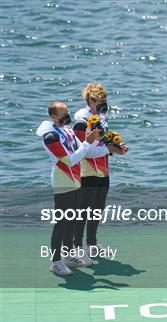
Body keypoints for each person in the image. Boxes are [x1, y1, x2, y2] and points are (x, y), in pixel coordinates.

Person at [36, 101, 100, 275]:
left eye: (68, 113)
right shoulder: (50, 137)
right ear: (53, 117)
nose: (67, 117)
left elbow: (81, 150)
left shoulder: (66, 129)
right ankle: (56, 262)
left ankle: (69, 255)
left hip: (75, 180)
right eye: (63, 115)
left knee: (72, 219)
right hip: (63, 181)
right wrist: (87, 143)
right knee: (62, 222)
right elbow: (70, 160)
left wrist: (93, 140)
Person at [72, 83, 127, 264]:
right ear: (90, 101)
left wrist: (115, 149)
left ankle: (91, 245)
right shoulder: (82, 122)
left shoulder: (101, 119)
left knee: (97, 210)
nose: (104, 106)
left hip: (103, 171)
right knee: (83, 212)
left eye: (105, 102)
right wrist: (107, 149)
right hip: (87, 172)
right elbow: (85, 150)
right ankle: (76, 249)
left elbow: (103, 144)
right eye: (100, 103)